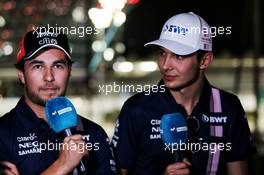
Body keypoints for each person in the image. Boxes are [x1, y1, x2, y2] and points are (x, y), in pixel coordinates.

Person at [111, 12, 256, 175]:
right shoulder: (136, 109)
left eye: (178, 56)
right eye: (162, 53)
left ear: (205, 60)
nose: (165, 65)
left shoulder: (229, 107)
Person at [0, 28, 116, 175]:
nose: (49, 77)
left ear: (69, 71)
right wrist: (62, 165)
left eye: (57, 66)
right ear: (22, 74)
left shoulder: (94, 133)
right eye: (38, 66)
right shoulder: (3, 134)